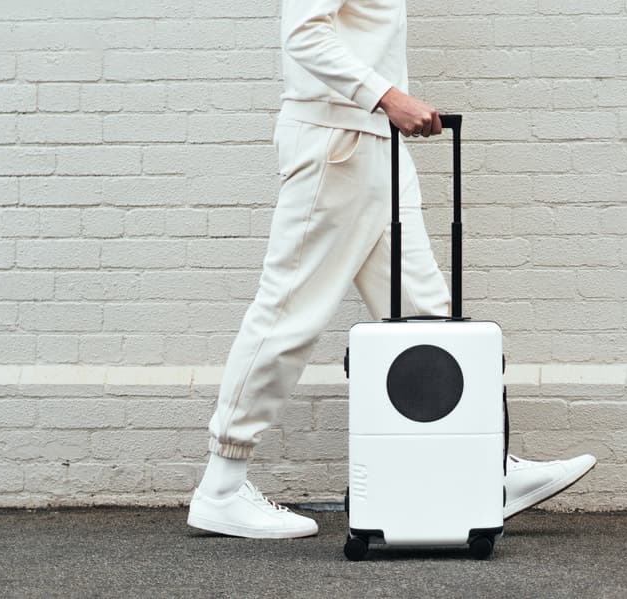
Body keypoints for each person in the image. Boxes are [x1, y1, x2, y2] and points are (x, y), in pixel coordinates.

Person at [186, 0, 596, 539]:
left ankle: (490, 470)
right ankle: (221, 487)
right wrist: (389, 97)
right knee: (288, 313)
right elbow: (303, 33)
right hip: (339, 143)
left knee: (428, 314)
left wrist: (384, 106)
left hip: (375, 143)